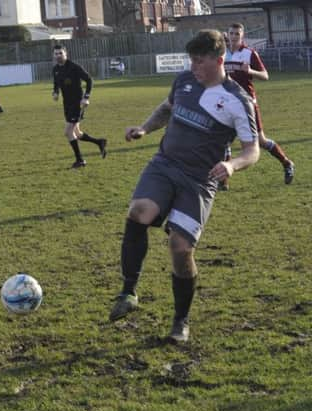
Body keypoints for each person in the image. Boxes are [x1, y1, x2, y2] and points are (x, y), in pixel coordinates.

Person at [108, 30, 260, 342]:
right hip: (164, 165)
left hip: (198, 181)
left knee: (180, 247)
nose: (193, 66)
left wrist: (232, 165)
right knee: (139, 212)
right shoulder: (183, 81)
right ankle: (128, 291)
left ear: (219, 60)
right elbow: (167, 109)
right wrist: (144, 128)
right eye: (191, 59)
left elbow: (252, 150)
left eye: (199, 60)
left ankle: (181, 321)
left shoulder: (237, 100)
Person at [224, 22, 294, 185]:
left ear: (242, 36)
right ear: (227, 35)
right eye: (231, 33)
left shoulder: (249, 53)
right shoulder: (222, 53)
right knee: (224, 140)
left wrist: (250, 71)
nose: (234, 37)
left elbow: (265, 75)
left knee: (261, 141)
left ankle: (287, 163)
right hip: (227, 103)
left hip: (247, 104)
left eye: (237, 34)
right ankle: (224, 179)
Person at [52, 44, 107, 168]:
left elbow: (89, 80)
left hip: (77, 103)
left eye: (60, 53)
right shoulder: (55, 69)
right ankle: (100, 142)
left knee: (68, 132)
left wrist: (86, 97)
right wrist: (55, 92)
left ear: (66, 54)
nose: (58, 56)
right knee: (76, 132)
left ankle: (80, 160)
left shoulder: (74, 67)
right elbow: (56, 83)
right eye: (56, 53)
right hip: (66, 104)